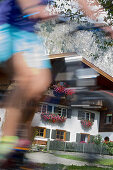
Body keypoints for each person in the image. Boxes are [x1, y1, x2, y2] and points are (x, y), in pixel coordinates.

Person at [0, 0, 112, 161]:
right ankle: (6, 142)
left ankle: (20, 147)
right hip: (6, 28)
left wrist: (105, 24)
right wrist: (33, 8)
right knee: (27, 80)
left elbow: (85, 1)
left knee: (40, 85)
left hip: (28, 34)